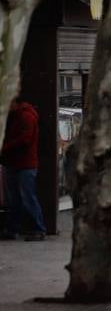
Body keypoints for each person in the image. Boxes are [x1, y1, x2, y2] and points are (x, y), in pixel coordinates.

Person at [2, 91, 47, 240]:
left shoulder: (26, 116)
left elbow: (25, 140)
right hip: (14, 162)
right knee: (16, 198)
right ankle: (14, 228)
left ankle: (38, 229)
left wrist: (5, 147)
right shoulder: (16, 116)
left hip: (25, 164)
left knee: (27, 196)